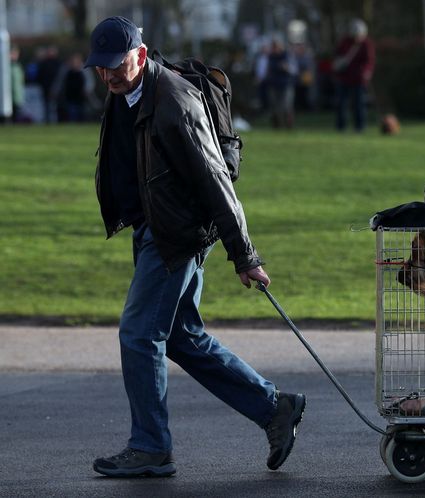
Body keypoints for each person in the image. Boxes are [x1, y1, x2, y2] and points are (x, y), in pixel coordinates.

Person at [84, 16, 306, 478]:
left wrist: (244, 255)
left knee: (139, 334)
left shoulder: (176, 102)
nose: (107, 75)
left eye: (116, 65)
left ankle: (150, 447)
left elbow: (216, 181)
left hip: (175, 237)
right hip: (154, 228)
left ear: (141, 56)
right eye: (100, 67)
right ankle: (275, 408)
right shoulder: (124, 90)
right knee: (182, 338)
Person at [332, 19, 375, 132]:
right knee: (341, 103)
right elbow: (337, 56)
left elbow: (369, 61)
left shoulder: (366, 44)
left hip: (359, 79)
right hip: (344, 78)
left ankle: (360, 127)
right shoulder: (345, 42)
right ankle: (341, 127)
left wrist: (367, 72)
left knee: (359, 104)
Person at [265, 36, 297, 128]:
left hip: (286, 84)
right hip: (273, 84)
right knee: (275, 107)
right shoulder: (271, 57)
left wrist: (286, 67)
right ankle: (277, 126)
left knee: (287, 106)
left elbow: (293, 69)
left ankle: (289, 126)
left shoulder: (287, 55)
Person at [9, 45, 26, 122]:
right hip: (8, 95)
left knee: (16, 113)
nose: (15, 56)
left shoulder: (18, 66)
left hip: (17, 95)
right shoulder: (5, 66)